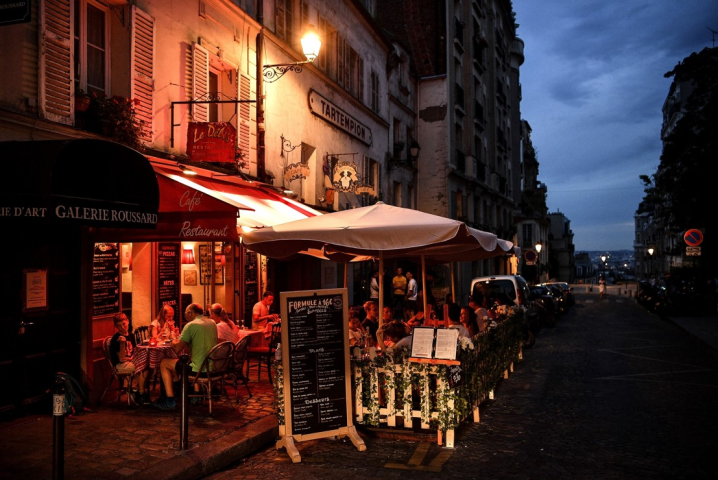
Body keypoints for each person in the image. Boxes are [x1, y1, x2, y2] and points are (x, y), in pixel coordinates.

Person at [153, 303, 218, 410]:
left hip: (198, 370)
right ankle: (189, 393)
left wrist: (173, 339)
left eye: (185, 314)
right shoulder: (212, 323)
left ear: (190, 313)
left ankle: (169, 401)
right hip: (213, 367)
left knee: (164, 362)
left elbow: (178, 348)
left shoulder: (191, 325)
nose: (185, 317)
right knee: (182, 361)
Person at [110, 313, 149, 405]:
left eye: (124, 324)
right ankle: (137, 391)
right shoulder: (116, 338)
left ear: (128, 321)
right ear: (116, 326)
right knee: (142, 367)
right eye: (119, 326)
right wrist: (122, 344)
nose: (122, 327)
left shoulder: (131, 335)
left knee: (148, 366)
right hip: (120, 364)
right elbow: (122, 358)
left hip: (130, 361)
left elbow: (135, 350)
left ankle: (138, 389)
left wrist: (133, 357)